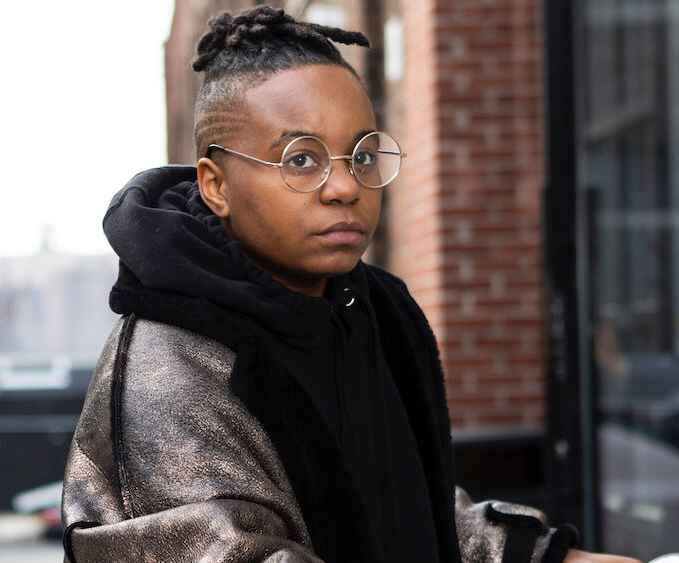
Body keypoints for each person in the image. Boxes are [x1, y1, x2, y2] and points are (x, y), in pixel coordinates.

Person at [61, 6, 639, 562]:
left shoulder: (377, 311)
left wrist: (540, 556)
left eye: (362, 155)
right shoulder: (170, 363)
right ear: (216, 185)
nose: (345, 186)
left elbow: (409, 512)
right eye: (302, 159)